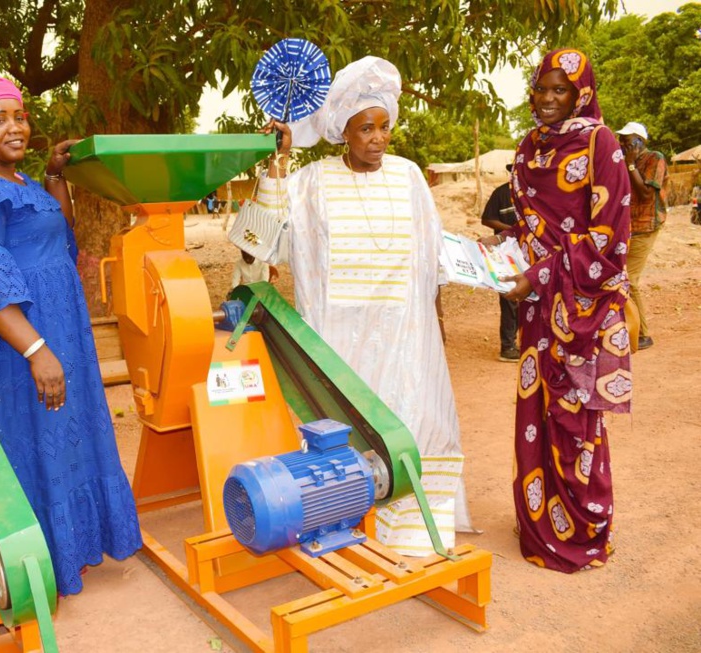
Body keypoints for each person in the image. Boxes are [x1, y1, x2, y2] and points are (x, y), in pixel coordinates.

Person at [0, 77, 142, 595]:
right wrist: (36, 349)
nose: (14, 127)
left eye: (19, 116)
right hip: (14, 342)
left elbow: (58, 234)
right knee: (30, 438)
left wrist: (53, 176)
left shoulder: (21, 180)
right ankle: (31, 566)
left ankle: (77, 547)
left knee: (66, 434)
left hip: (57, 327)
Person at [259, 56, 473, 552]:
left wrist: (436, 327)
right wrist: (278, 162)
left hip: (406, 339)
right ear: (343, 132)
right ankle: (348, 533)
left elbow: (431, 254)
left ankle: (417, 539)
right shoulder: (311, 182)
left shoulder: (410, 176)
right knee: (348, 432)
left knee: (415, 422)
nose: (377, 138)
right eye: (365, 129)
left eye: (384, 126)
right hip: (339, 341)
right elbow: (262, 238)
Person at [485, 48, 633, 573]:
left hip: (582, 310)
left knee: (576, 422)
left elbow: (608, 239)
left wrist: (539, 273)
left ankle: (585, 529)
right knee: (536, 417)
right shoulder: (528, 149)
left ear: (581, 93)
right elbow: (528, 230)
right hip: (537, 312)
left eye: (560, 90)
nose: (547, 100)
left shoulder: (601, 144)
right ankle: (540, 529)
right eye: (541, 89)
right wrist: (502, 259)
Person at [616, 121, 667, 350]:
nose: (622, 145)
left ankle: (643, 333)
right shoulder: (629, 163)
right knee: (622, 277)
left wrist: (629, 165)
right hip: (628, 227)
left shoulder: (654, 158)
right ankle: (632, 328)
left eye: (626, 141)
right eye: (622, 141)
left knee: (629, 279)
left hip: (645, 226)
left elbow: (646, 194)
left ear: (639, 141)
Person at [480, 163, 520, 362]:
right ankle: (508, 347)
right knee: (509, 298)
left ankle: (525, 342)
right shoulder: (501, 193)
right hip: (505, 252)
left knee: (528, 298)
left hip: (528, 252)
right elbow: (487, 219)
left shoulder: (532, 194)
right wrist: (509, 231)